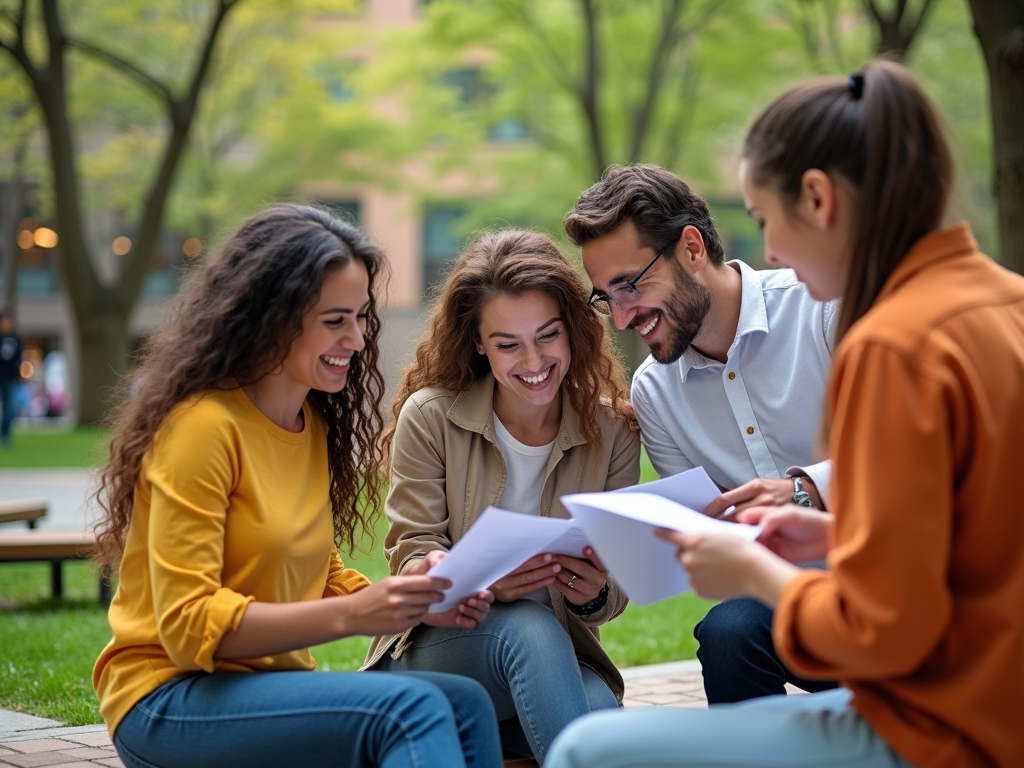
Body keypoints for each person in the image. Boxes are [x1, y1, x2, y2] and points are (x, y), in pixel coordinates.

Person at [547, 59, 1024, 768]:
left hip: (949, 721)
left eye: (767, 218)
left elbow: (883, 633)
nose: (768, 250)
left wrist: (754, 563)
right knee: (733, 631)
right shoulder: (1004, 300)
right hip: (986, 685)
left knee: (589, 749)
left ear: (819, 198)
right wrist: (828, 530)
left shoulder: (884, 341)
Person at [91, 204, 502, 768]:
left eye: (361, 317)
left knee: (464, 704)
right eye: (335, 320)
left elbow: (317, 570)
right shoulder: (200, 429)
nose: (357, 339)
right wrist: (358, 616)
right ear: (271, 316)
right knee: (411, 710)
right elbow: (188, 628)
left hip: (263, 691)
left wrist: (413, 601)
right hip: (167, 699)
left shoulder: (310, 428)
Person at [563, 163, 838, 703]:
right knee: (727, 633)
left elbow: (912, 464)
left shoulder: (821, 312)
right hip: (787, 605)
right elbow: (716, 542)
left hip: (899, 575)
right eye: (606, 298)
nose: (621, 319)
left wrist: (804, 491)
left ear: (691, 248)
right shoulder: (655, 392)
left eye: (631, 286)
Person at [364, 230, 641, 763]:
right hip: (440, 650)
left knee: (597, 715)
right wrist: (484, 583)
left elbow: (618, 585)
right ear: (477, 342)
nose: (532, 361)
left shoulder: (613, 429)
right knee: (528, 627)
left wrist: (594, 592)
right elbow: (411, 555)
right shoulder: (431, 417)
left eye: (547, 336)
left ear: (574, 330)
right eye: (507, 344)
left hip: (558, 661)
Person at [0, 308, 23, 447]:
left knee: (10, 409)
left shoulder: (15, 338)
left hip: (9, 379)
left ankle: (5, 434)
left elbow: (19, 358)